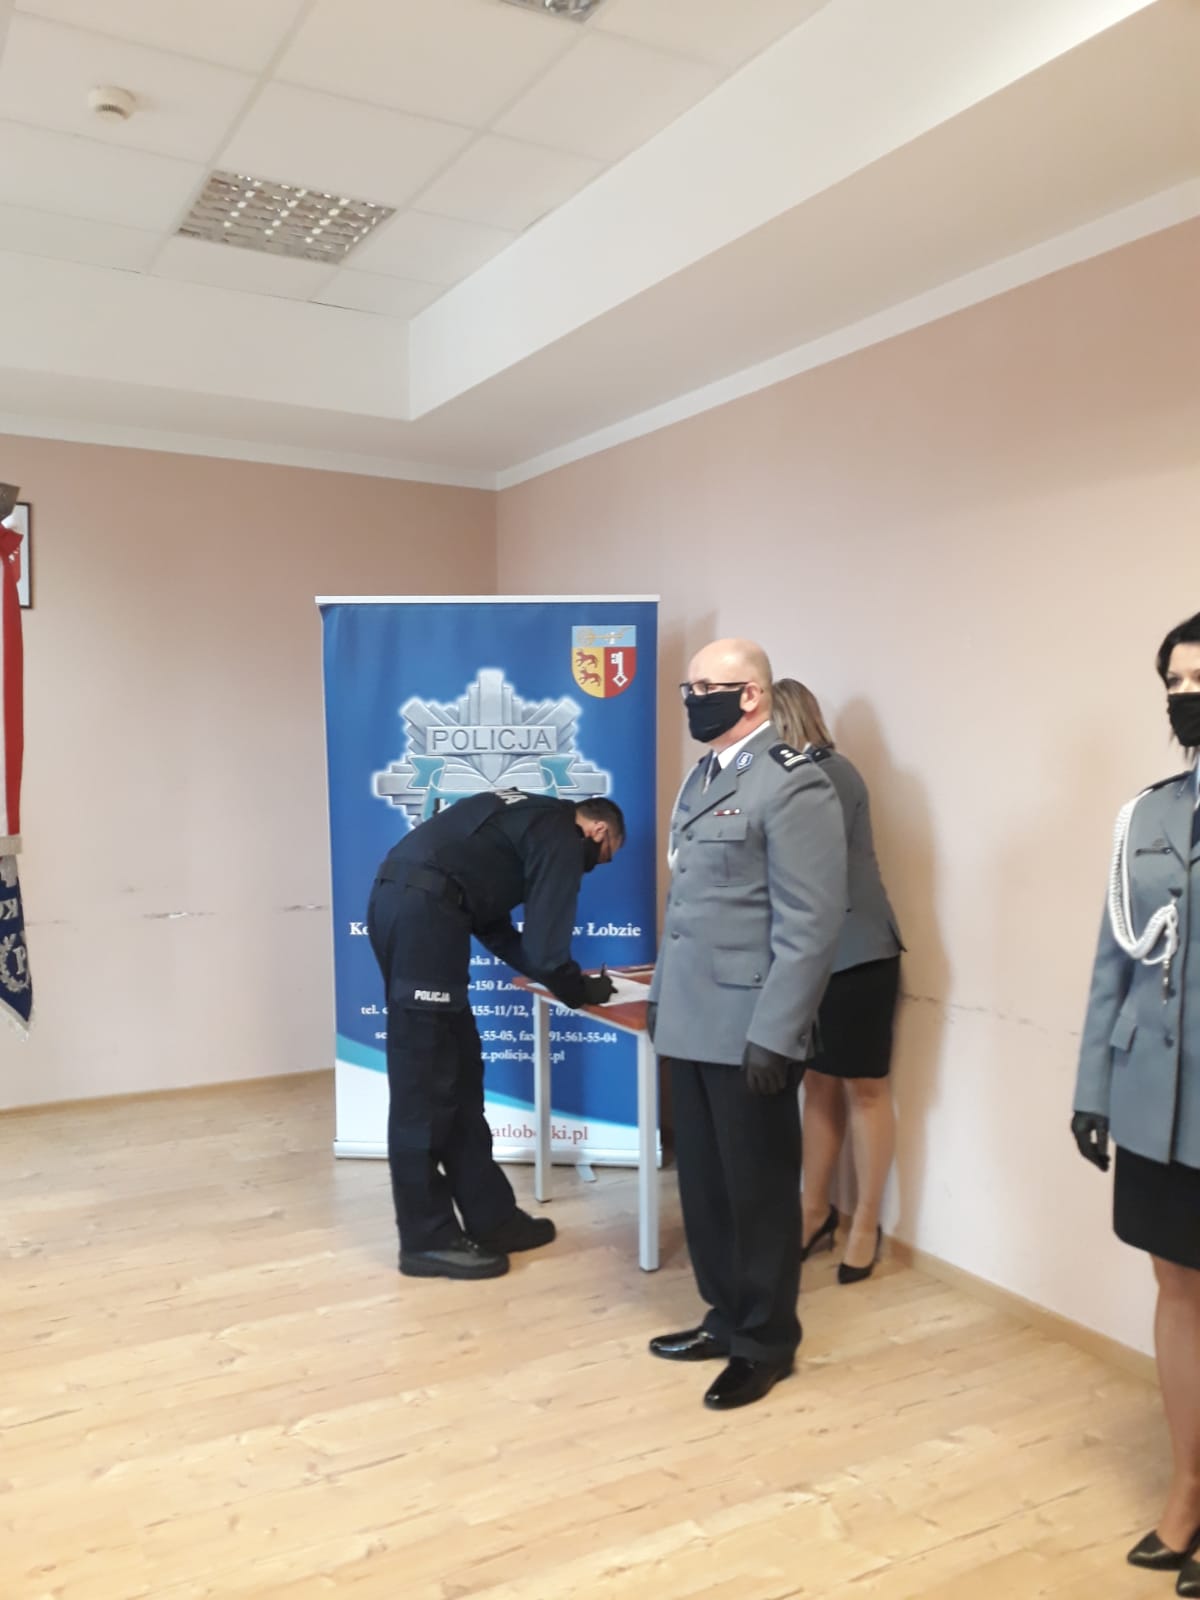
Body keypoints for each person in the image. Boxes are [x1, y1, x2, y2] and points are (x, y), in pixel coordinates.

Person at [646, 638, 847, 1410]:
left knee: (757, 1190)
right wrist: (663, 1000)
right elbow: (687, 909)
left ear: (751, 695)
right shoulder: (704, 776)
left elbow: (810, 924)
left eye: (707, 687)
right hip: (692, 1018)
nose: (693, 700)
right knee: (705, 1188)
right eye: (689, 687)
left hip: (749, 1025)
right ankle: (726, 1316)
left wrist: (779, 1031)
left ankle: (765, 1340)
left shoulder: (792, 784)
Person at [367, 790, 622, 1281]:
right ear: (599, 831)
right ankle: (426, 1240)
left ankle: (492, 1218)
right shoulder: (562, 833)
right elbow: (547, 951)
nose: (593, 867)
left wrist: (566, 984)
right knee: (424, 1085)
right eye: (603, 856)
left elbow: (497, 929)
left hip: (420, 909)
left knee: (460, 1073)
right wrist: (577, 989)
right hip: (423, 916)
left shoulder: (524, 821)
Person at [1073, 611, 1200, 1593]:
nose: (1183, 697)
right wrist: (1093, 1089)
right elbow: (1115, 959)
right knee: (1178, 1287)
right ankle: (1189, 1487)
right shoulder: (1148, 817)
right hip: (1157, 1098)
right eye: (1173, 682)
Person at [772, 679, 904, 1286]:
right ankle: (814, 1211)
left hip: (858, 956)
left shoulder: (829, 774)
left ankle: (865, 1224)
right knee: (818, 1085)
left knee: (865, 1089)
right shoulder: (788, 777)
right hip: (810, 959)